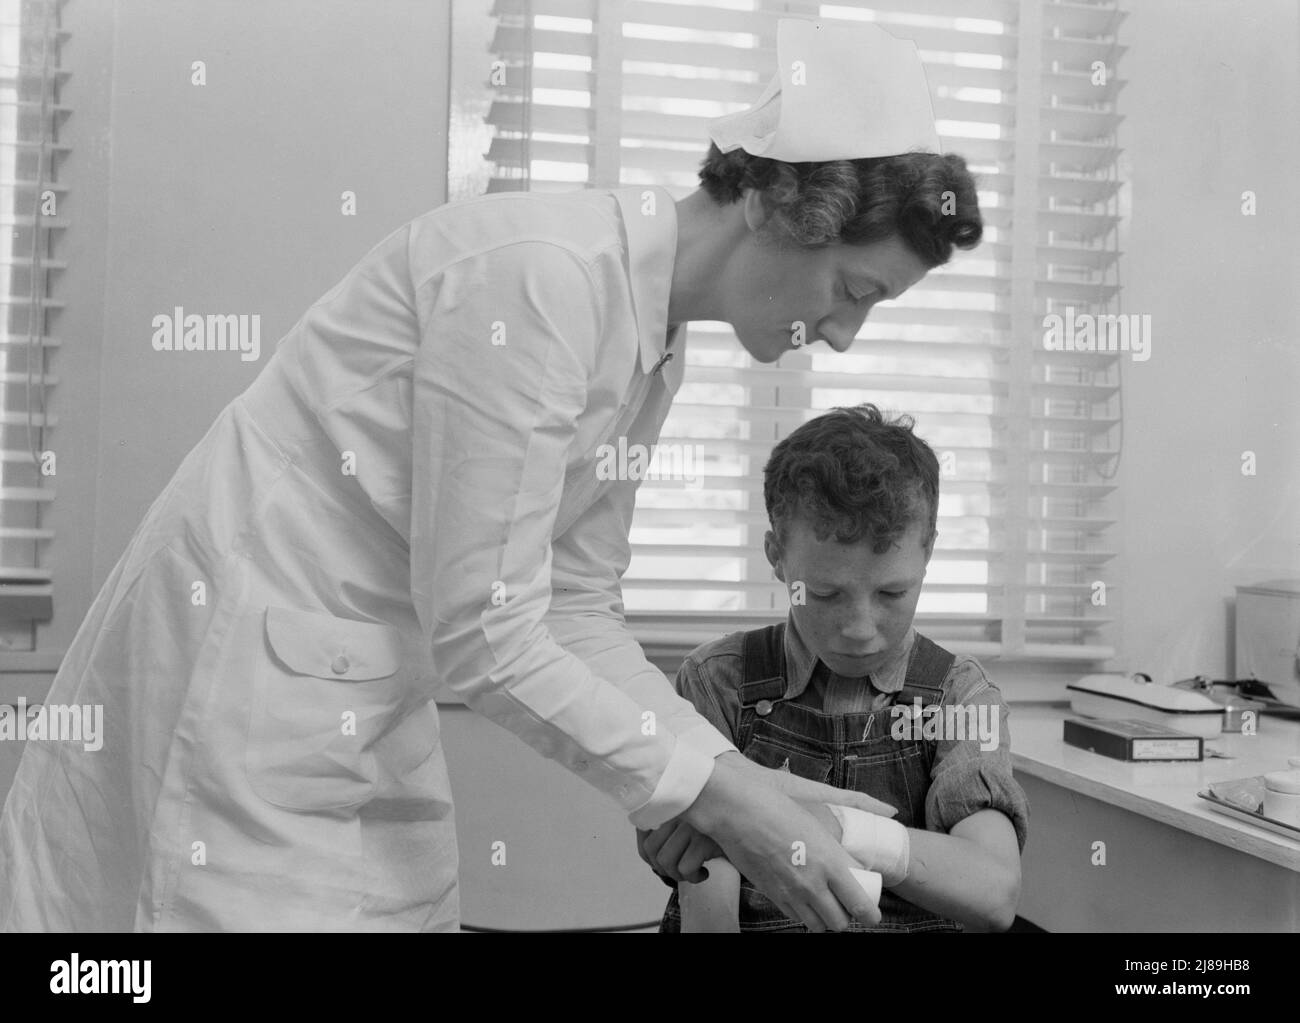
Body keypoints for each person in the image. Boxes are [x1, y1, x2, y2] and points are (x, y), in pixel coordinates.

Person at [0, 19, 982, 932]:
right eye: (853, 292)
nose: (847, 337)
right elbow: (486, 627)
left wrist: (731, 782)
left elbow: (573, 605)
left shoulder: (652, 342)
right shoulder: (538, 280)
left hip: (364, 692)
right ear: (776, 205)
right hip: (246, 681)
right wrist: (721, 797)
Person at [640, 406, 1030, 932]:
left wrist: (829, 823)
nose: (860, 628)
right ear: (776, 555)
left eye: (892, 592)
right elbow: (709, 908)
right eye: (825, 593)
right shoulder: (720, 681)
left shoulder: (958, 698)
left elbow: (993, 892)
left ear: (928, 552)